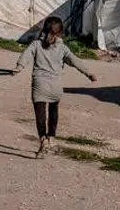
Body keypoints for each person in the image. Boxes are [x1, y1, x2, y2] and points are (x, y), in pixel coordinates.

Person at [13, 16, 97, 158]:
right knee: (53, 110)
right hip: (56, 86)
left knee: (40, 114)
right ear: (60, 32)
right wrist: (88, 73)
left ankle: (43, 140)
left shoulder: (36, 44)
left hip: (40, 84)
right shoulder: (63, 48)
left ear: (44, 29)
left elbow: (25, 56)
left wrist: (18, 68)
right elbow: (74, 60)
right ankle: (52, 138)